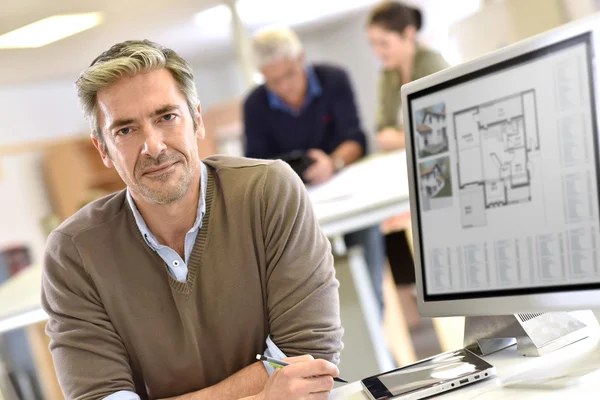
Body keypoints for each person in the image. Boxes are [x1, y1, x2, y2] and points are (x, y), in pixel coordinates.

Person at [41, 40, 343, 400]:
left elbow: (308, 359)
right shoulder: (74, 253)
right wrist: (263, 396)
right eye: (125, 130)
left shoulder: (267, 191)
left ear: (197, 120)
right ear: (103, 149)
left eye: (166, 117)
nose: (153, 146)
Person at [244, 26, 387, 314]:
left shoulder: (333, 79)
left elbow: (355, 138)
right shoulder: (255, 105)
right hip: (302, 211)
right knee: (325, 298)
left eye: (288, 75)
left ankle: (379, 340)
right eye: (272, 81)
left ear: (301, 60)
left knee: (369, 286)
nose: (283, 86)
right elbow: (256, 167)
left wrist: (332, 164)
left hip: (351, 197)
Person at [367, 1, 449, 327]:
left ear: (408, 34)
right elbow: (381, 129)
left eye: (383, 43)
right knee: (382, 227)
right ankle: (411, 306)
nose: (378, 51)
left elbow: (438, 130)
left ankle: (430, 300)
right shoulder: (387, 76)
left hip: (438, 170)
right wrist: (410, 133)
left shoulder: (433, 64)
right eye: (373, 44)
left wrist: (400, 136)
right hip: (403, 172)